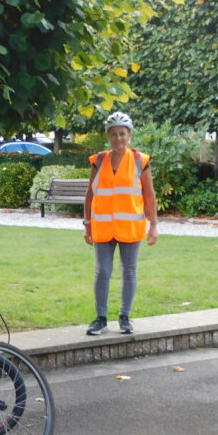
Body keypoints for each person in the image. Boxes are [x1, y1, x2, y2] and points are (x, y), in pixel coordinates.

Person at [83, 111, 158, 335]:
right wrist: (86, 223)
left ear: (130, 134)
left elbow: (150, 194)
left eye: (122, 134)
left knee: (129, 272)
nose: (119, 139)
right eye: (114, 134)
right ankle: (101, 319)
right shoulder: (98, 160)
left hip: (130, 227)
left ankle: (125, 317)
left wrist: (153, 224)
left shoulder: (139, 161)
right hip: (103, 226)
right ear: (108, 136)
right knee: (102, 272)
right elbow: (90, 194)